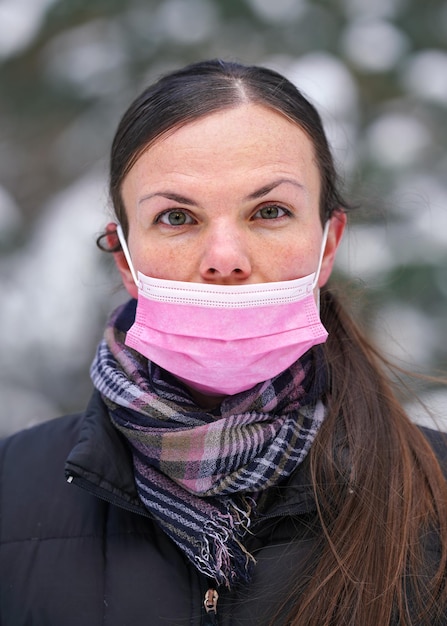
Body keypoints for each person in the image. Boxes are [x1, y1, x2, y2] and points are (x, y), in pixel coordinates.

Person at [1, 59, 446, 626]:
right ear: (126, 260)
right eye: (177, 217)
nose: (225, 259)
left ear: (328, 245)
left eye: (269, 211)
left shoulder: (436, 495)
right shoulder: (11, 490)